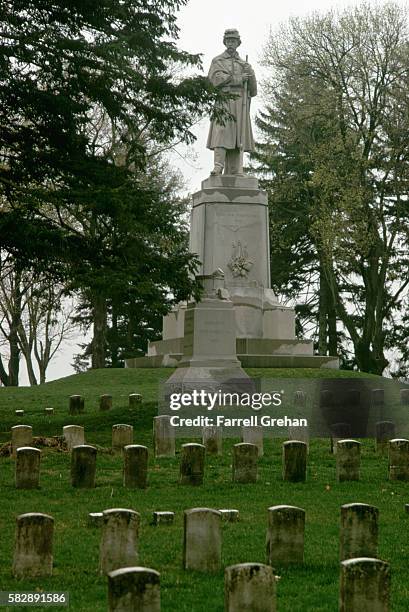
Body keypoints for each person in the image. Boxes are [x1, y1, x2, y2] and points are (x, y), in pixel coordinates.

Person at [207, 28, 257, 175]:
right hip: (224, 101)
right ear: (225, 42)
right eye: (228, 40)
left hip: (241, 103)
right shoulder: (218, 61)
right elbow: (215, 80)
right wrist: (238, 79)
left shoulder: (244, 64)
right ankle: (218, 166)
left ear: (238, 43)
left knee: (238, 136)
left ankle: (235, 170)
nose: (231, 43)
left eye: (233, 41)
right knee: (221, 133)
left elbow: (253, 91)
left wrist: (251, 74)